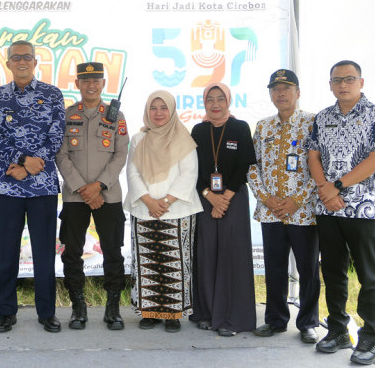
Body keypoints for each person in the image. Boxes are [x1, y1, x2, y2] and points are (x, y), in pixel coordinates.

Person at [306, 60, 375, 365]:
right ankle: (338, 329)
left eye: (349, 79)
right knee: (332, 271)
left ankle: (369, 337)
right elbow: (312, 155)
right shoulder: (322, 117)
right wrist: (324, 189)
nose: (343, 84)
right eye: (337, 80)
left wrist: (337, 186)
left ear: (361, 82)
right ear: (330, 85)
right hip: (328, 209)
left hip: (362, 209)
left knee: (368, 276)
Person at [0, 40, 65, 333]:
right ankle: (6, 311)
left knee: (45, 254)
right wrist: (20, 161)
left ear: (35, 61)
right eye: (15, 57)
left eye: (26, 57)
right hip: (7, 186)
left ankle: (47, 313)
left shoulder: (52, 95)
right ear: (7, 63)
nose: (21, 62)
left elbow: (56, 137)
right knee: (5, 253)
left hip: (42, 187)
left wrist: (34, 163)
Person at [247, 69, 320, 344]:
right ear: (270, 94)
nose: (281, 93)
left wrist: (296, 201)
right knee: (274, 268)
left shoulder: (312, 122)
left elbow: (319, 168)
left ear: (297, 92)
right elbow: (252, 167)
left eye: (286, 88)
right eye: (275, 89)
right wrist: (266, 198)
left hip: (302, 211)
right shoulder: (263, 126)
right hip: (270, 211)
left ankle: (308, 323)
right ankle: (276, 320)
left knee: (309, 269)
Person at [56, 62, 129, 331]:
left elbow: (121, 154)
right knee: (72, 253)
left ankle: (113, 309)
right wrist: (82, 188)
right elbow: (60, 155)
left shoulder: (116, 116)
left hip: (107, 195)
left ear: (102, 84)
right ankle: (78, 308)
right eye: (85, 81)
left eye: (96, 80)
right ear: (77, 84)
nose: (90, 85)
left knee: (113, 252)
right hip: (76, 196)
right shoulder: (67, 115)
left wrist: (98, 186)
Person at [124, 90, 203, 333]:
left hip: (177, 211)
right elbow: (132, 172)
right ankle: (149, 312)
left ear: (172, 110)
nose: (158, 113)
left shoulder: (183, 138)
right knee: (147, 262)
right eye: (153, 108)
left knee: (176, 263)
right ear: (147, 111)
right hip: (144, 210)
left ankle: (173, 314)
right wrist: (148, 200)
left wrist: (165, 201)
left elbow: (189, 173)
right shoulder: (139, 139)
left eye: (163, 108)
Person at [189, 82, 257, 336]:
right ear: (204, 103)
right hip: (206, 201)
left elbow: (244, 167)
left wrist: (224, 199)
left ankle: (232, 318)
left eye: (220, 99)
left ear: (229, 101)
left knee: (232, 256)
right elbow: (191, 170)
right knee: (207, 255)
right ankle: (207, 312)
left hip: (234, 199)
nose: (215, 104)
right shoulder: (197, 130)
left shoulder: (239, 128)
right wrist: (210, 197)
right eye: (210, 99)